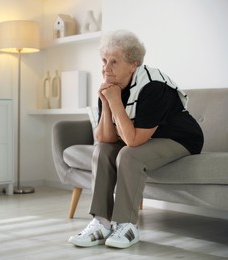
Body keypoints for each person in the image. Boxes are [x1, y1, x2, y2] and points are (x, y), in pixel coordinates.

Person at [68, 30, 204, 249]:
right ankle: (101, 222)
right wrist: (107, 100)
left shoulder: (153, 86)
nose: (106, 68)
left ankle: (127, 225)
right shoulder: (111, 87)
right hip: (146, 139)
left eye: (114, 61)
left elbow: (132, 141)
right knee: (103, 150)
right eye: (104, 61)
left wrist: (115, 102)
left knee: (129, 155)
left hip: (180, 138)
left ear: (133, 64)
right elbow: (104, 137)